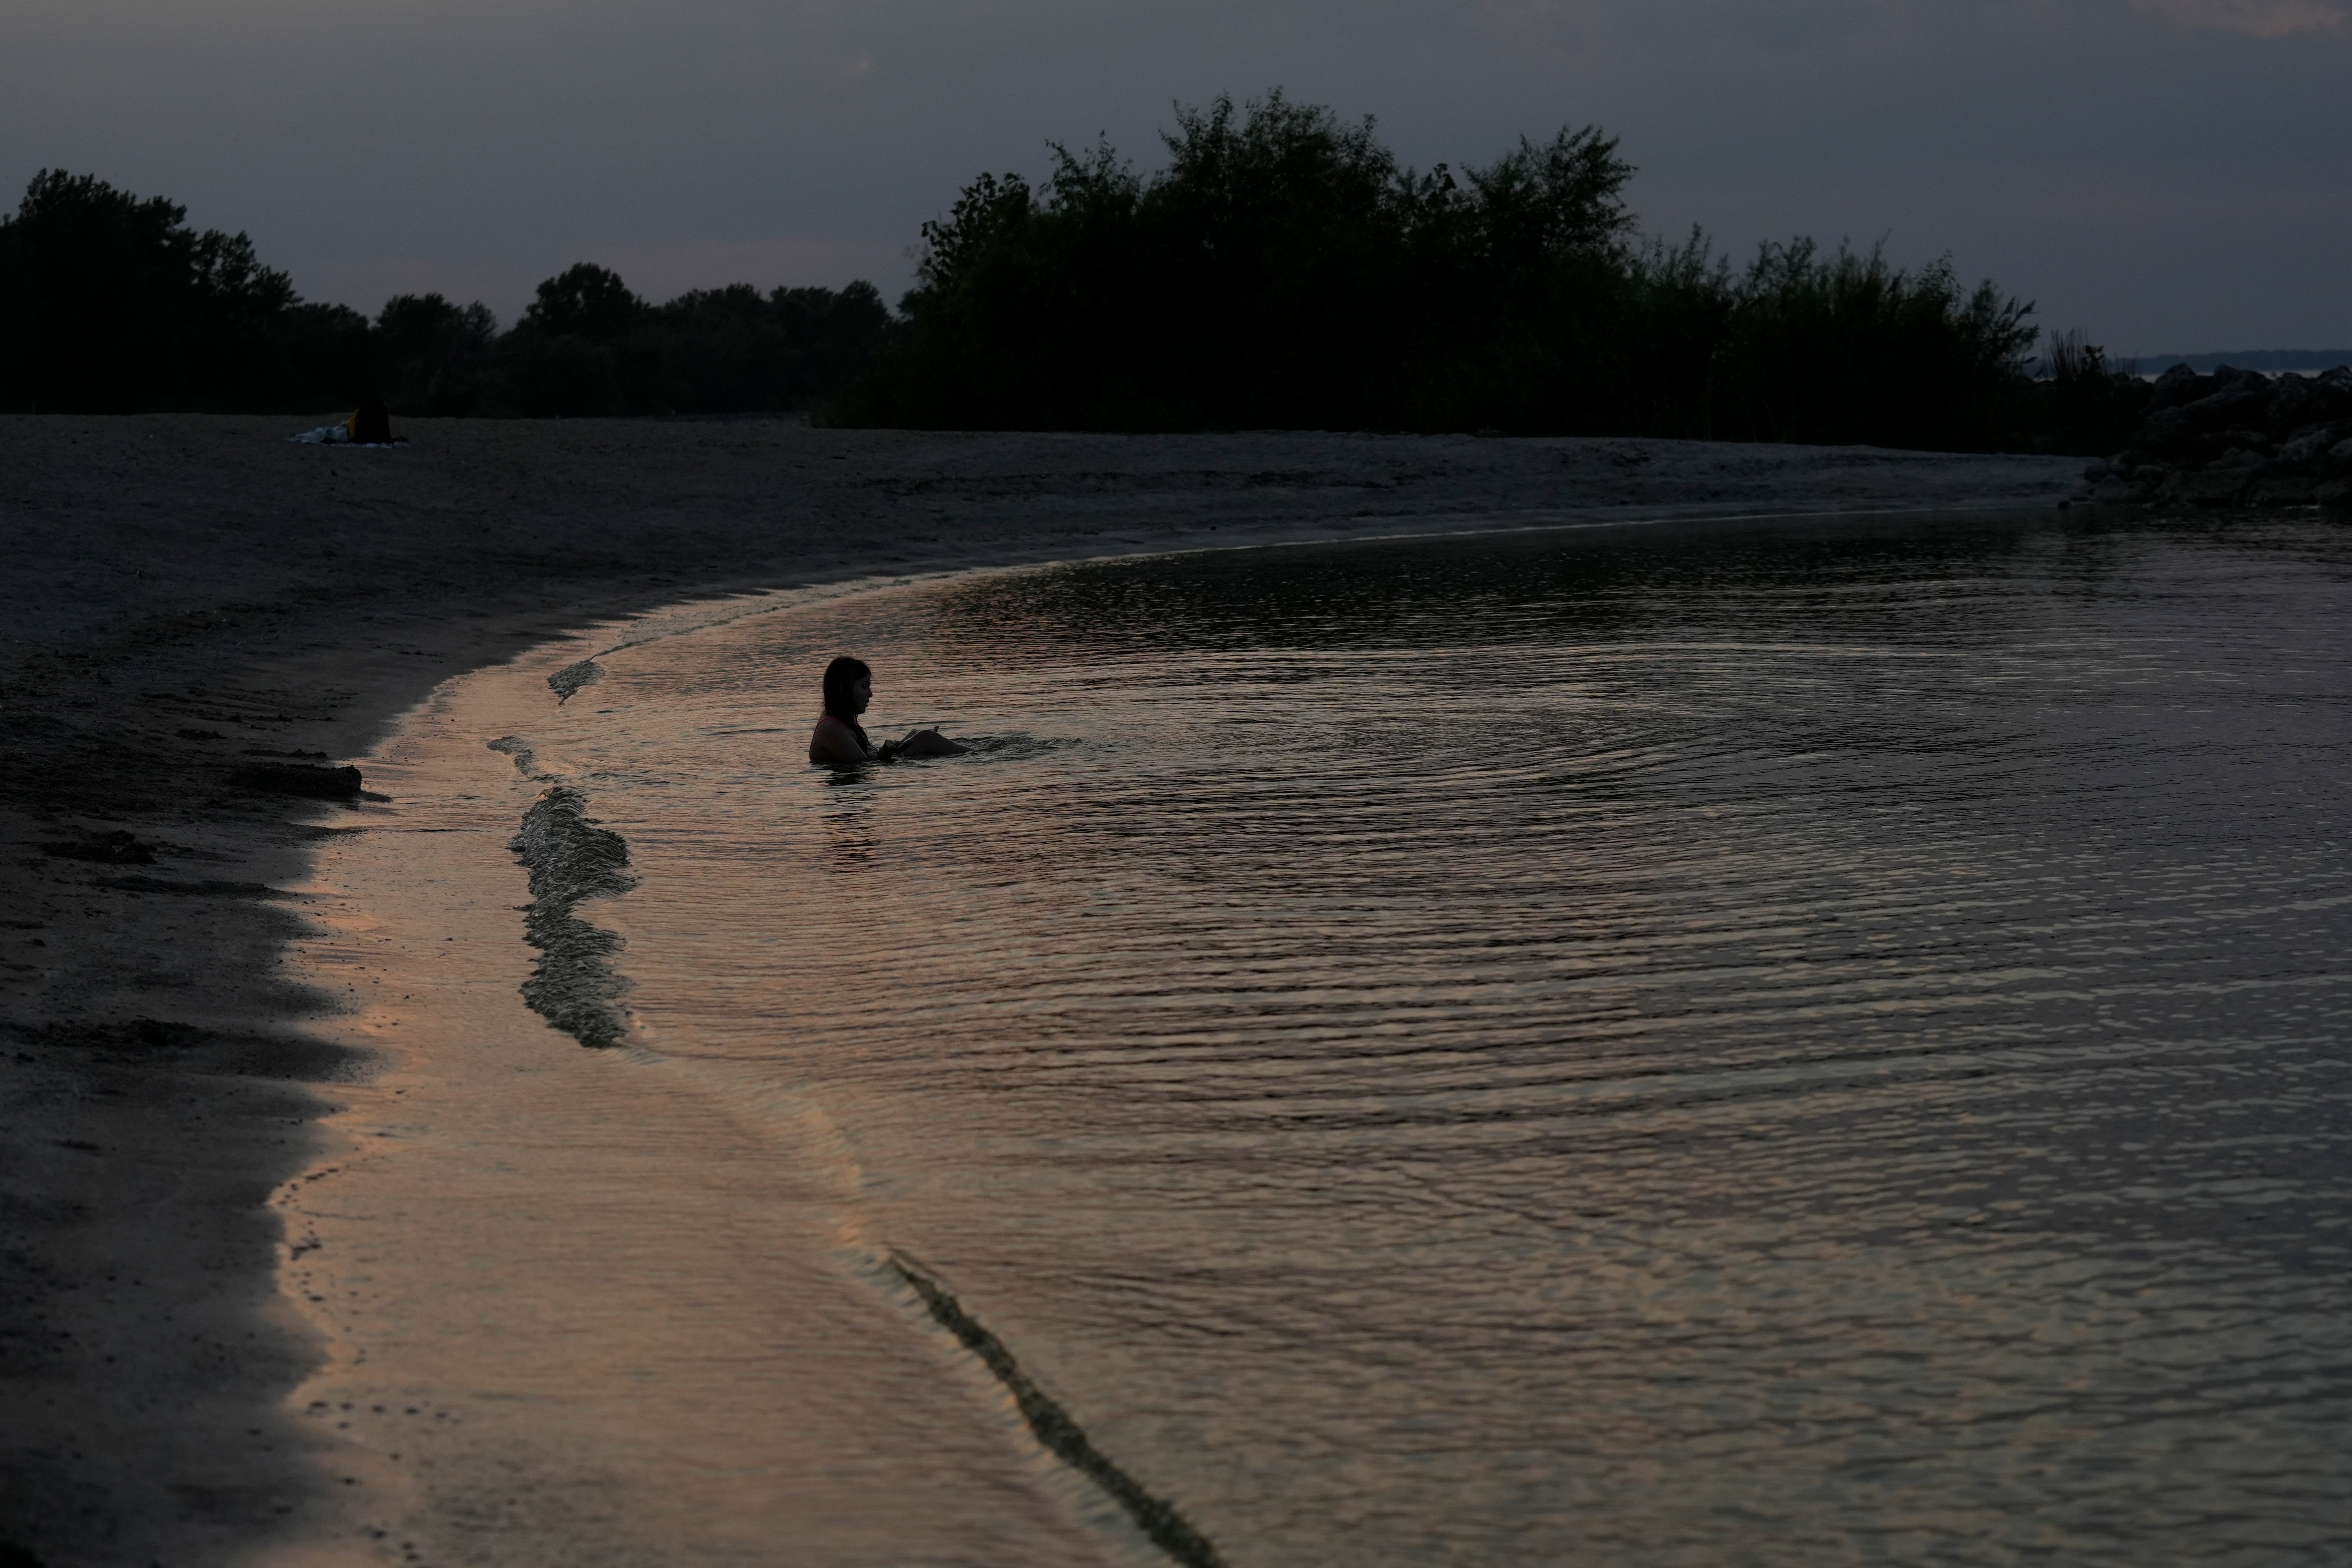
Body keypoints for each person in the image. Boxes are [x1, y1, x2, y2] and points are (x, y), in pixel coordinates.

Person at [809, 656, 967, 767]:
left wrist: (898, 746)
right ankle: (981, 753)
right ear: (843, 689)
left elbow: (869, 758)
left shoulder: (839, 723)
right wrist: (887, 751)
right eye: (864, 687)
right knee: (927, 738)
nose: (870, 694)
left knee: (919, 735)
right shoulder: (832, 730)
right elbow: (867, 765)